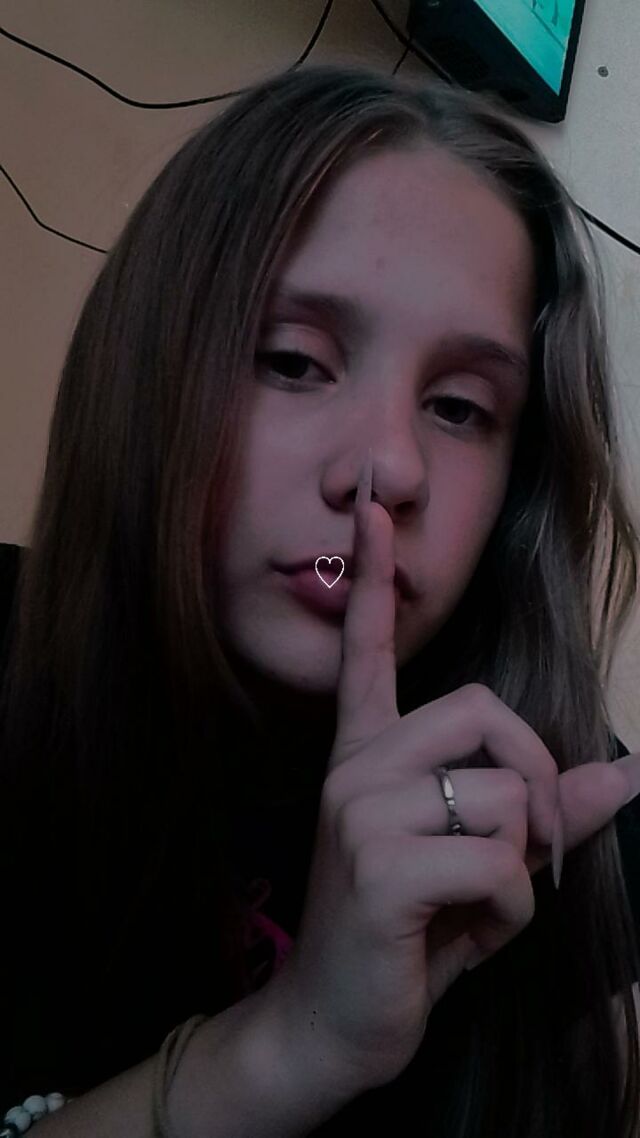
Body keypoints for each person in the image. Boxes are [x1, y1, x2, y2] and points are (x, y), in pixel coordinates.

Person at [1, 61, 640, 1138]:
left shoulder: (571, 814)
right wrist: (290, 1045)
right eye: (295, 362)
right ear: (152, 366)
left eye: (458, 407)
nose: (388, 467)